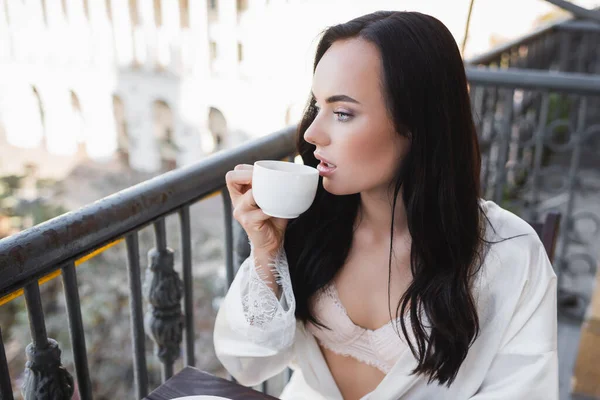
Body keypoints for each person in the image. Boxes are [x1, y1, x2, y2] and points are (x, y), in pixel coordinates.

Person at [214, 11, 557, 400]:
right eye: (317, 105)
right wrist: (266, 255)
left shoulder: (509, 254)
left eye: (342, 113)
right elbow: (247, 364)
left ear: (417, 122)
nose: (312, 133)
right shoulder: (307, 222)